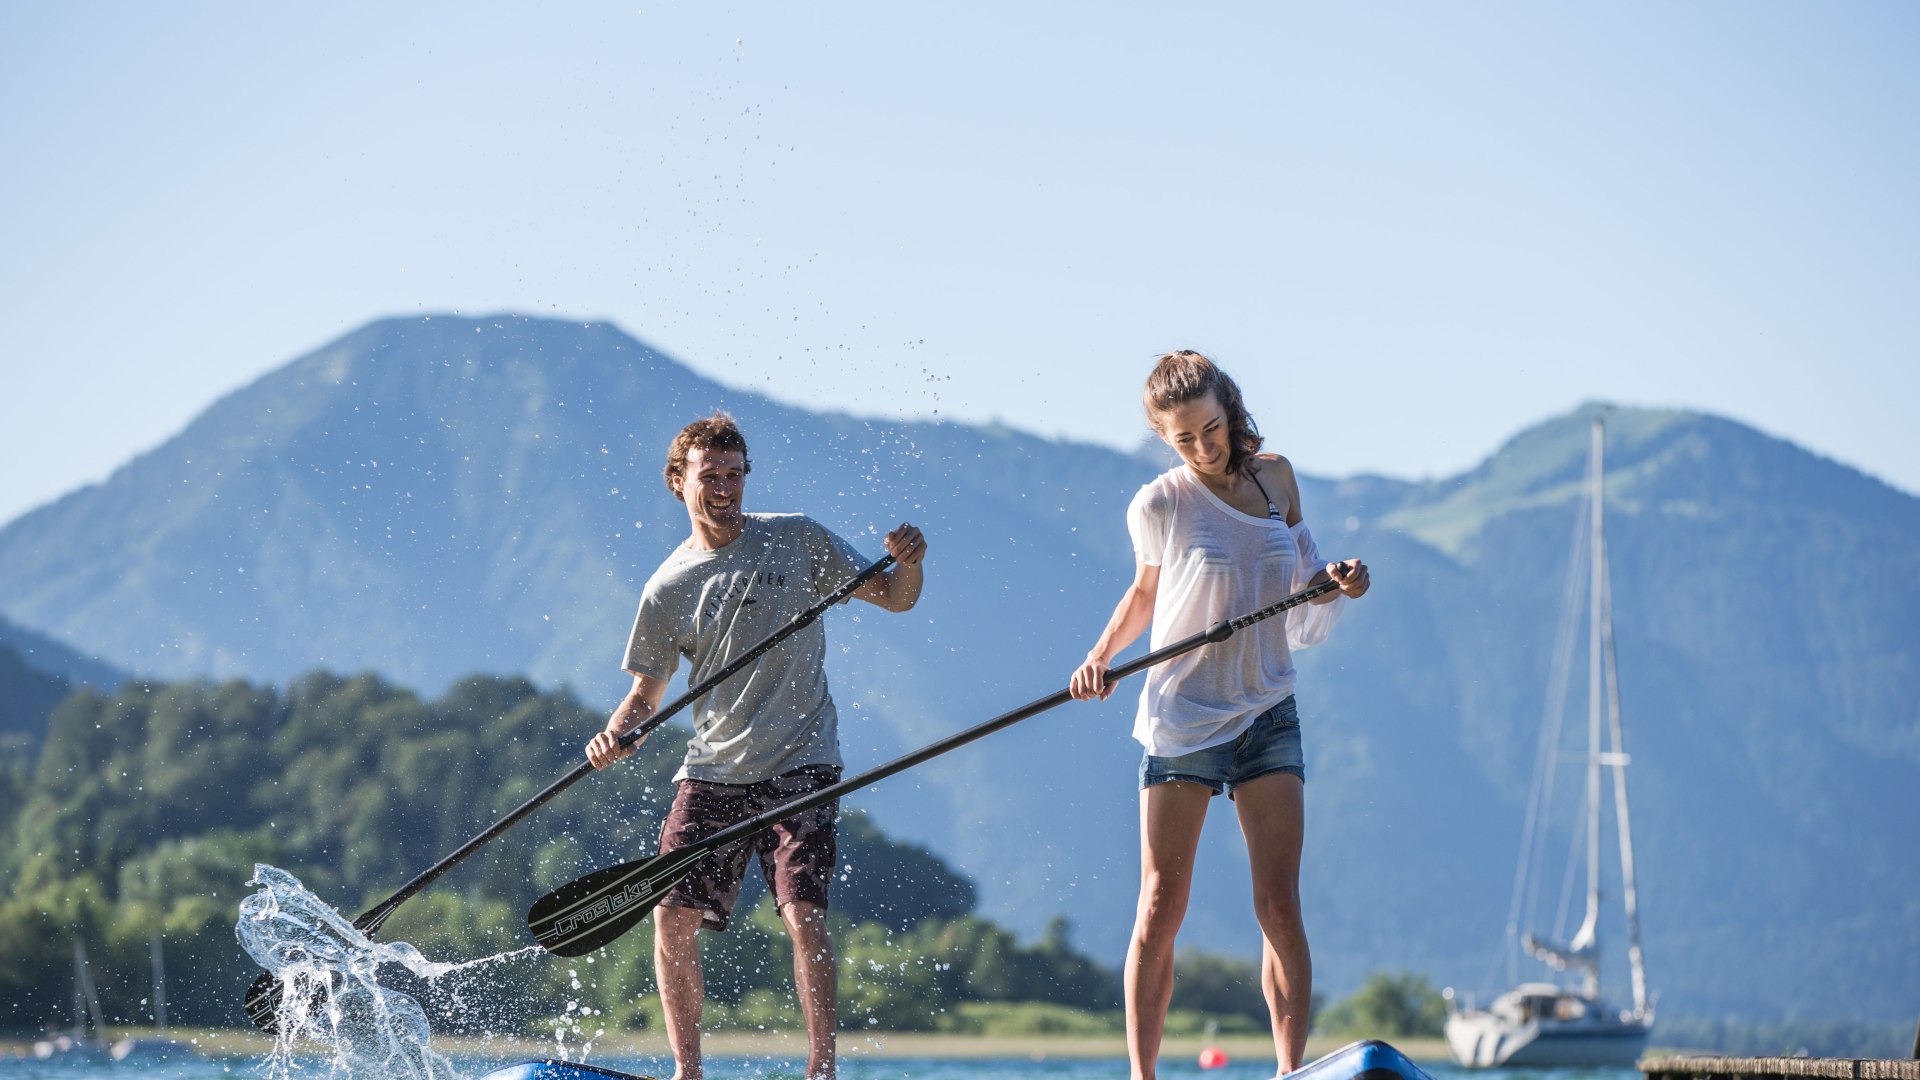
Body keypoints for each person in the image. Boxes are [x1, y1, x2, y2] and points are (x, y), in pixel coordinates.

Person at [586, 412, 927, 1080]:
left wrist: (912, 564)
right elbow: (644, 700)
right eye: (709, 475)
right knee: (671, 916)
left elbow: (895, 597)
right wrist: (613, 735)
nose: (723, 488)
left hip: (804, 762)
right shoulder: (666, 588)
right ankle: (689, 1072)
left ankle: (820, 1070)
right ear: (677, 481)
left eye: (734, 475)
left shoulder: (797, 539)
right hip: (713, 771)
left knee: (803, 913)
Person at [1068, 352, 1369, 1079]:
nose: (1204, 448)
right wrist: (1100, 655)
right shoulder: (1162, 502)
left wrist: (1340, 583)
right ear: (1163, 439)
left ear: (1229, 409)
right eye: (1185, 439)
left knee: (1280, 905)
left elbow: (1305, 582)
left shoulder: (1277, 479)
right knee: (1160, 906)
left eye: (1211, 429)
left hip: (1268, 707)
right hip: (1185, 718)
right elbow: (1143, 595)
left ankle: (1289, 1071)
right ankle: (1144, 1076)